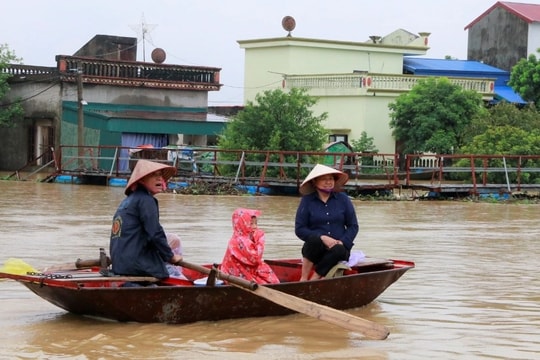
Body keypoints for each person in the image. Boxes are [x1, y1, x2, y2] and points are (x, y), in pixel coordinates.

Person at [109, 159, 183, 279]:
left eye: (160, 175)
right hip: (136, 265)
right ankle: (175, 272)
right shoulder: (146, 200)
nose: (159, 179)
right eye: (154, 175)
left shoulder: (128, 201)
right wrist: (171, 257)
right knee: (173, 269)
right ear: (142, 180)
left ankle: (173, 269)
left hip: (120, 263)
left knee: (174, 239)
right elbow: (155, 233)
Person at [295, 164, 359, 281]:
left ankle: (315, 278)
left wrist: (342, 241)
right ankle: (303, 279)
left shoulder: (343, 199)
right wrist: (322, 238)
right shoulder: (307, 201)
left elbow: (353, 226)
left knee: (339, 250)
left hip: (338, 250)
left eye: (330, 179)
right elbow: (300, 229)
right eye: (324, 179)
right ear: (315, 182)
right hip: (316, 249)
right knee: (314, 240)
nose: (328, 182)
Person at [219, 208, 280, 284]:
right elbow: (255, 259)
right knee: (272, 282)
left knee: (269, 276)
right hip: (236, 275)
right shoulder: (241, 240)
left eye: (255, 223)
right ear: (242, 224)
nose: (255, 227)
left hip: (239, 271)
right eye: (251, 224)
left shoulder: (241, 237)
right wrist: (260, 239)